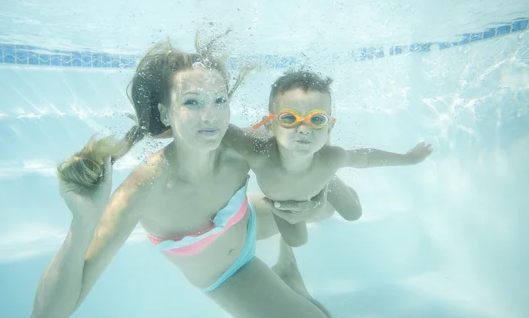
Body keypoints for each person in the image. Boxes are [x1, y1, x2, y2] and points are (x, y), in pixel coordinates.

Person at [30, 41, 331, 318]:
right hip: (230, 273)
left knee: (327, 207)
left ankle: (288, 271)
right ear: (164, 113)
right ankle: (289, 278)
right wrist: (82, 221)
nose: (210, 116)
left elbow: (307, 166)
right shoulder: (144, 189)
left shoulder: (237, 144)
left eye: (219, 99)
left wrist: (313, 203)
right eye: (192, 102)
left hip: (248, 218)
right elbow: (48, 315)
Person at [224, 70, 433, 247]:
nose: (304, 130)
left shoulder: (330, 158)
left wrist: (409, 159)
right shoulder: (258, 154)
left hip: (321, 174)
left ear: (329, 127)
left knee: (353, 213)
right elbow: (224, 133)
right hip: (284, 205)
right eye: (289, 118)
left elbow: (365, 158)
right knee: (296, 242)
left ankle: (328, 181)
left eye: (317, 119)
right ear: (270, 125)